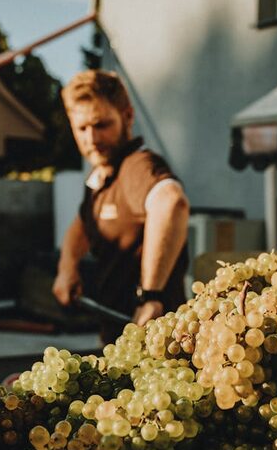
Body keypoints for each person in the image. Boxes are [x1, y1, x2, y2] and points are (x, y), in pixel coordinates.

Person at [52, 70, 189, 345]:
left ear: (127, 116)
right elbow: (81, 226)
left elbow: (172, 202)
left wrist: (151, 296)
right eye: (82, 128)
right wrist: (67, 267)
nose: (91, 138)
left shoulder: (137, 166)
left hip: (156, 344)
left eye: (101, 124)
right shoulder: (100, 179)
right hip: (116, 339)